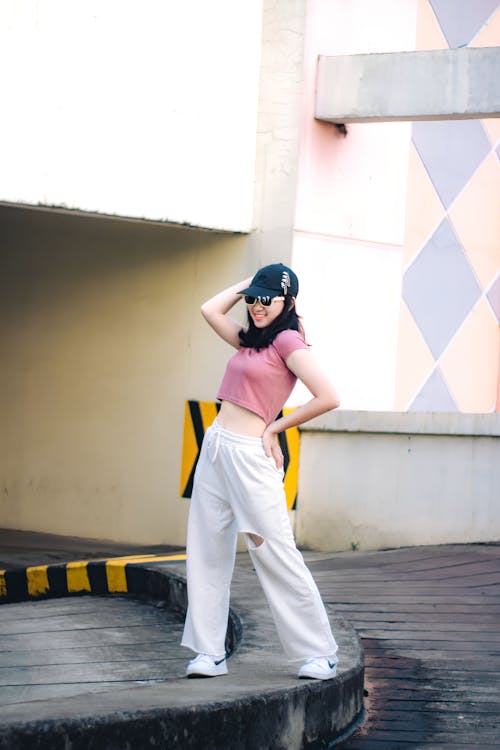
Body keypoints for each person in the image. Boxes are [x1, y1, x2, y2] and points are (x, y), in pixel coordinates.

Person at [181, 263, 340, 680]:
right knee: (207, 550)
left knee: (274, 551)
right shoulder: (250, 339)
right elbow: (209, 310)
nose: (256, 306)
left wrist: (275, 427)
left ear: (287, 301)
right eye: (252, 298)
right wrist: (248, 284)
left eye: (265, 299)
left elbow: (328, 396)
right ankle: (209, 652)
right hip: (215, 447)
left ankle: (319, 651)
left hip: (250, 455)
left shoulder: (287, 341)